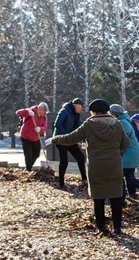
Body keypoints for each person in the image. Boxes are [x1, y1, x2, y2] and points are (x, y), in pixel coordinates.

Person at [46, 99, 130, 235]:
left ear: (93, 112)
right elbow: (125, 143)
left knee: (99, 198)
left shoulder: (89, 124)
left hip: (96, 167)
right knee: (115, 197)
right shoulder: (117, 124)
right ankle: (117, 227)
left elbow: (70, 138)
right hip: (114, 166)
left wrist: (55, 139)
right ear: (107, 111)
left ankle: (101, 226)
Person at [110, 105, 139, 205]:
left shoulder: (122, 122)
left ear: (115, 114)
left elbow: (121, 139)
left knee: (119, 177)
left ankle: (121, 201)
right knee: (130, 177)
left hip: (129, 152)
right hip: (133, 151)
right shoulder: (125, 121)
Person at [52, 98, 88, 188]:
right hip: (60, 139)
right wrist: (66, 135)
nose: (81, 109)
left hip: (70, 140)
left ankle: (84, 179)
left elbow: (79, 128)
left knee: (80, 157)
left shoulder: (76, 114)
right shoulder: (64, 111)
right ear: (75, 105)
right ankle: (61, 183)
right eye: (81, 107)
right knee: (64, 161)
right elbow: (57, 124)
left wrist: (83, 139)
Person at [16, 102, 49, 171]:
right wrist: (27, 111)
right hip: (26, 136)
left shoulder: (44, 117)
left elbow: (45, 127)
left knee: (36, 154)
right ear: (40, 109)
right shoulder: (31, 111)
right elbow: (18, 113)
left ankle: (29, 166)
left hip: (36, 138)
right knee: (28, 154)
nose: (45, 114)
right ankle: (28, 169)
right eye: (44, 112)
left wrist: (40, 128)